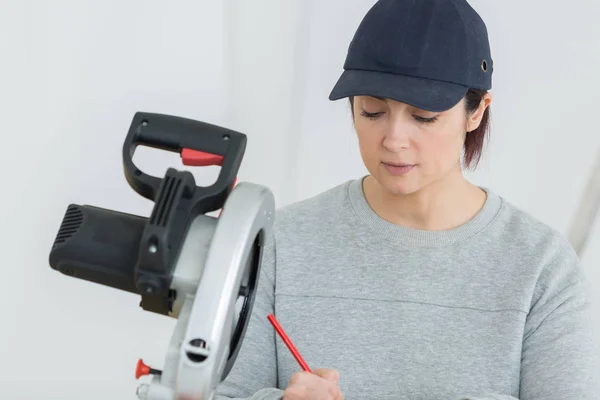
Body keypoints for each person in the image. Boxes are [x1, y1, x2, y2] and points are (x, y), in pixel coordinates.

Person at [214, 0, 600, 399]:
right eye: (372, 111)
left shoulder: (541, 266)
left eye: (424, 117)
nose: (394, 140)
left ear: (476, 111)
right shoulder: (281, 244)